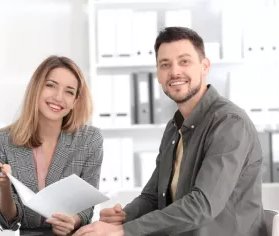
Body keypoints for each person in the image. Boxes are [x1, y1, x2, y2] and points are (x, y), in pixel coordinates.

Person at [73, 27, 267, 236]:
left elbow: (202, 205)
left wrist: (124, 231)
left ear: (204, 66)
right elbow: (153, 197)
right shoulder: (174, 127)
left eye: (184, 61)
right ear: (158, 74)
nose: (174, 72)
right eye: (165, 64)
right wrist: (124, 217)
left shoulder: (229, 124)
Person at [0, 55, 104, 236]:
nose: (58, 97)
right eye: (51, 85)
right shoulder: (2, 141)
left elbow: (87, 208)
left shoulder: (89, 140)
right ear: (37, 88)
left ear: (75, 101)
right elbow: (6, 221)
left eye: (69, 91)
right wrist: (4, 187)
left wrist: (71, 221)